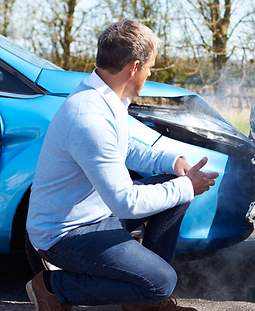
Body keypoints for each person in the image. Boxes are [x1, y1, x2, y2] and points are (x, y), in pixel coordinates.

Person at [25, 19, 218, 311]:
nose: (150, 74)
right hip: (65, 234)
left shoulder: (104, 98)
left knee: (172, 183)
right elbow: (125, 202)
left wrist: (172, 162)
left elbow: (123, 148)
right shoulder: (88, 115)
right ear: (135, 67)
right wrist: (186, 186)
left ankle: (146, 302)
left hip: (95, 213)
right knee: (161, 281)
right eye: (151, 67)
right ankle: (52, 287)